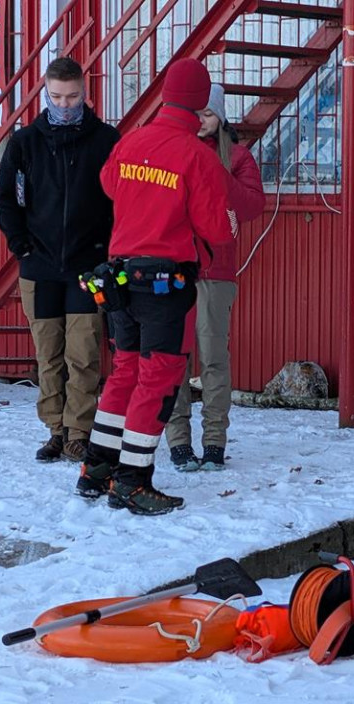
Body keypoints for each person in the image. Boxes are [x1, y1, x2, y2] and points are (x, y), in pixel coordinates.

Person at [75, 58, 236, 515]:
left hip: (121, 278)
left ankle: (97, 467)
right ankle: (132, 481)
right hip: (166, 284)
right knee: (159, 378)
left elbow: (108, 186)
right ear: (201, 103)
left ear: (165, 94)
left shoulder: (132, 142)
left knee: (124, 370)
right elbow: (218, 231)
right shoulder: (197, 157)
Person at [0, 57, 120, 463]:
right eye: (57, 97)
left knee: (83, 355)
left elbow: (121, 200)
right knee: (48, 356)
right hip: (39, 267)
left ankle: (78, 433)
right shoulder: (25, 142)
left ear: (85, 92)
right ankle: (55, 429)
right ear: (45, 93)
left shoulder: (106, 140)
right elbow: (4, 199)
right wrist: (21, 246)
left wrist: (108, 250)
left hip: (88, 266)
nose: (65, 104)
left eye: (73, 96)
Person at [165, 84, 265, 471]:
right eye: (195, 113)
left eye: (207, 113)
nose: (199, 121)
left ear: (221, 117)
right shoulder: (174, 151)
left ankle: (214, 442)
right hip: (174, 267)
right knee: (173, 358)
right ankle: (177, 442)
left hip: (215, 271)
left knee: (213, 361)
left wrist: (213, 172)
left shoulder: (237, 156)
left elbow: (253, 203)